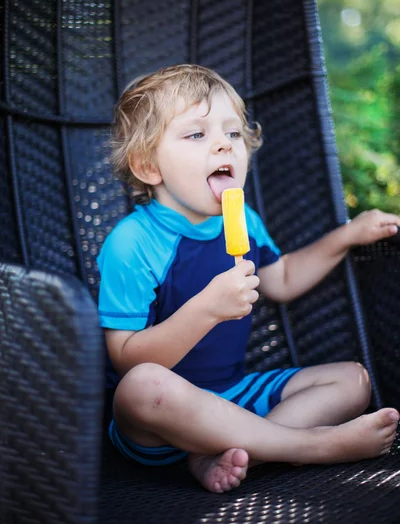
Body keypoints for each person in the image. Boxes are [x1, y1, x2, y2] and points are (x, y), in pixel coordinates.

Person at [97, 64, 400, 494]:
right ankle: (309, 445)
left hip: (235, 394)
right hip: (161, 422)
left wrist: (348, 235)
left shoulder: (246, 222)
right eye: (197, 134)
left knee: (352, 380)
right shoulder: (132, 243)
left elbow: (284, 279)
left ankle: (232, 453)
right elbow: (127, 359)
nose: (224, 144)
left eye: (233, 133)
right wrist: (206, 310)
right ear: (148, 166)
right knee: (140, 388)